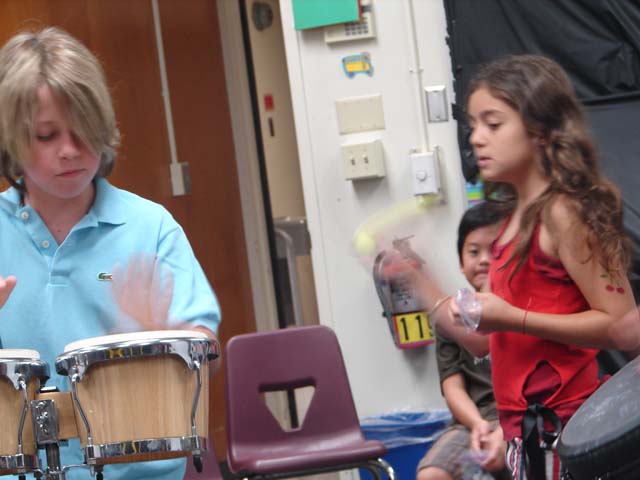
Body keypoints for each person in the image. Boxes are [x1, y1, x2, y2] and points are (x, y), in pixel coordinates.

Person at [0, 27, 220, 479]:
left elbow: (205, 358)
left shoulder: (150, 227)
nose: (70, 151)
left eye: (84, 130)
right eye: (46, 135)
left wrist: (170, 336)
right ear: (10, 142)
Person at [447, 55, 635, 479]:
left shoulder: (564, 213)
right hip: (523, 433)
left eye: (493, 124)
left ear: (539, 129)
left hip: (566, 427)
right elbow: (486, 343)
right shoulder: (512, 219)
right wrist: (419, 280)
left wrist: (512, 317)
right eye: (473, 125)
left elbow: (620, 322)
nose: (476, 138)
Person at [416, 202, 509, 480]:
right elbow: (452, 387)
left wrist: (502, 431)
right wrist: (478, 424)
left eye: (493, 251)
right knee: (431, 474)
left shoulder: (517, 309)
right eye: (473, 252)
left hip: (518, 418)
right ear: (460, 262)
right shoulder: (450, 316)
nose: (483, 260)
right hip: (472, 421)